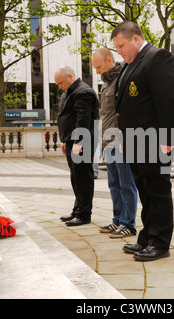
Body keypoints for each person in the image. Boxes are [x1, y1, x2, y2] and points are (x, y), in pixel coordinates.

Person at [111, 21, 174, 262]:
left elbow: (168, 100)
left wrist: (167, 137)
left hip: (153, 140)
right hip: (135, 142)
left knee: (158, 191)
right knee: (146, 192)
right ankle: (148, 237)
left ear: (136, 39)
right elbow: (128, 107)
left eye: (121, 46)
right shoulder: (131, 64)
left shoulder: (158, 57)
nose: (118, 51)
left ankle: (160, 243)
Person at [92, 47, 138, 238]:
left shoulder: (123, 80)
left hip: (120, 142)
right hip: (108, 141)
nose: (96, 71)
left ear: (109, 61)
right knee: (114, 184)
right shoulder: (107, 82)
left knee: (127, 184)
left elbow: (129, 111)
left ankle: (129, 223)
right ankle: (118, 220)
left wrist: (125, 138)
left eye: (98, 66)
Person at [56, 66, 99, 226]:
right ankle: (77, 210)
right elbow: (66, 117)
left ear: (70, 76)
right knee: (75, 177)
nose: (59, 86)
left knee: (83, 178)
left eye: (60, 82)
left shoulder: (83, 92)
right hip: (71, 142)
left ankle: (84, 214)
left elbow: (83, 119)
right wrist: (65, 140)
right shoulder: (68, 92)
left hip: (82, 143)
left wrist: (78, 143)